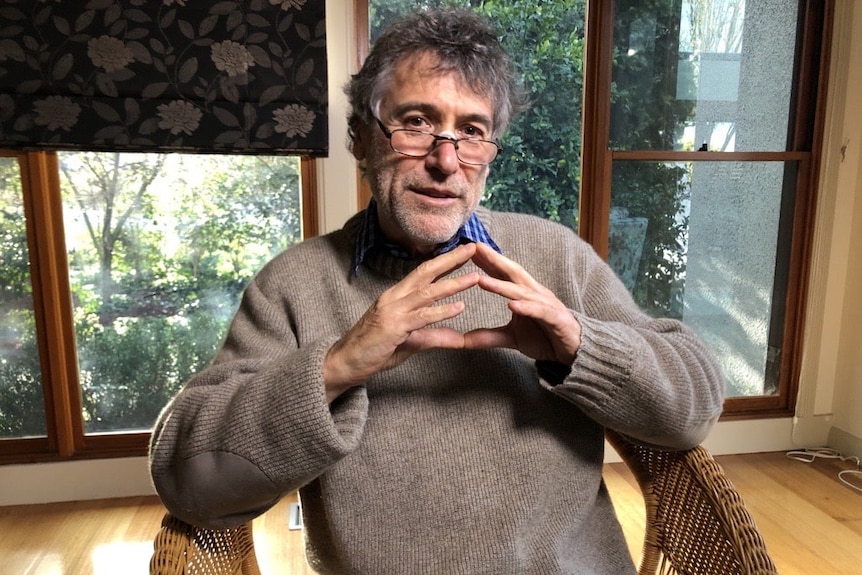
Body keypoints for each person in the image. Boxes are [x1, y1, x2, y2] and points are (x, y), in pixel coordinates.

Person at [149, 8, 725, 574]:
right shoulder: (292, 284)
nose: (445, 160)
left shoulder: (556, 256)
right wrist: (336, 366)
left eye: (472, 132)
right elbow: (186, 480)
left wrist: (580, 344)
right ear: (360, 140)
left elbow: (693, 409)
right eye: (416, 123)